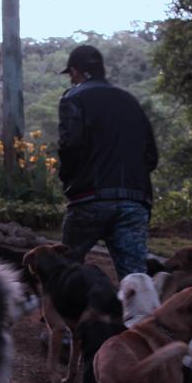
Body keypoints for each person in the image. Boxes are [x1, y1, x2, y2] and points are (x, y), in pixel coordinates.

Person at [56, 45, 158, 279]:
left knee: (65, 270)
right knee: (136, 280)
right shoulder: (130, 101)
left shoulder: (74, 97)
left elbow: (70, 145)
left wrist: (68, 177)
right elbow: (151, 157)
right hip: (135, 199)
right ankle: (141, 316)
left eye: (71, 74)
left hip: (89, 197)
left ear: (76, 71)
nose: (71, 80)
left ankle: (71, 314)